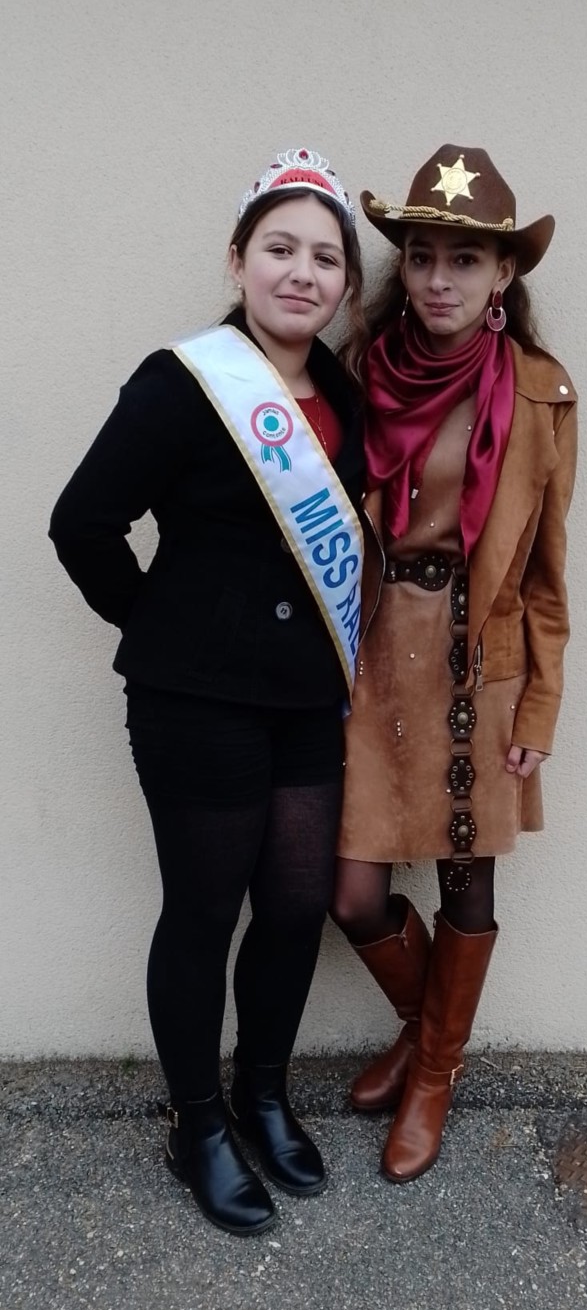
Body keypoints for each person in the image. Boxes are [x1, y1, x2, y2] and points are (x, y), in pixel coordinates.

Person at [50, 148, 366, 1235]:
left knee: (294, 906)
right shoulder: (182, 382)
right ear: (237, 261)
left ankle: (262, 1096)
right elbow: (82, 524)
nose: (302, 273)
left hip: (306, 699)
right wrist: (161, 627)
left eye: (325, 258)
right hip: (197, 703)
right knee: (205, 910)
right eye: (280, 248)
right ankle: (197, 1124)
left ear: (346, 286)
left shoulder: (344, 396)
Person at [333, 145, 578, 1183]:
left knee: (464, 883)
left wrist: (540, 712)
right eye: (424, 257)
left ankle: (433, 1073)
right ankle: (424, 1029)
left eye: (465, 261)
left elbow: (549, 572)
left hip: (480, 662)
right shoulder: (357, 372)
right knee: (351, 891)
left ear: (503, 275)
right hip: (370, 654)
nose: (440, 280)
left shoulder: (540, 395)